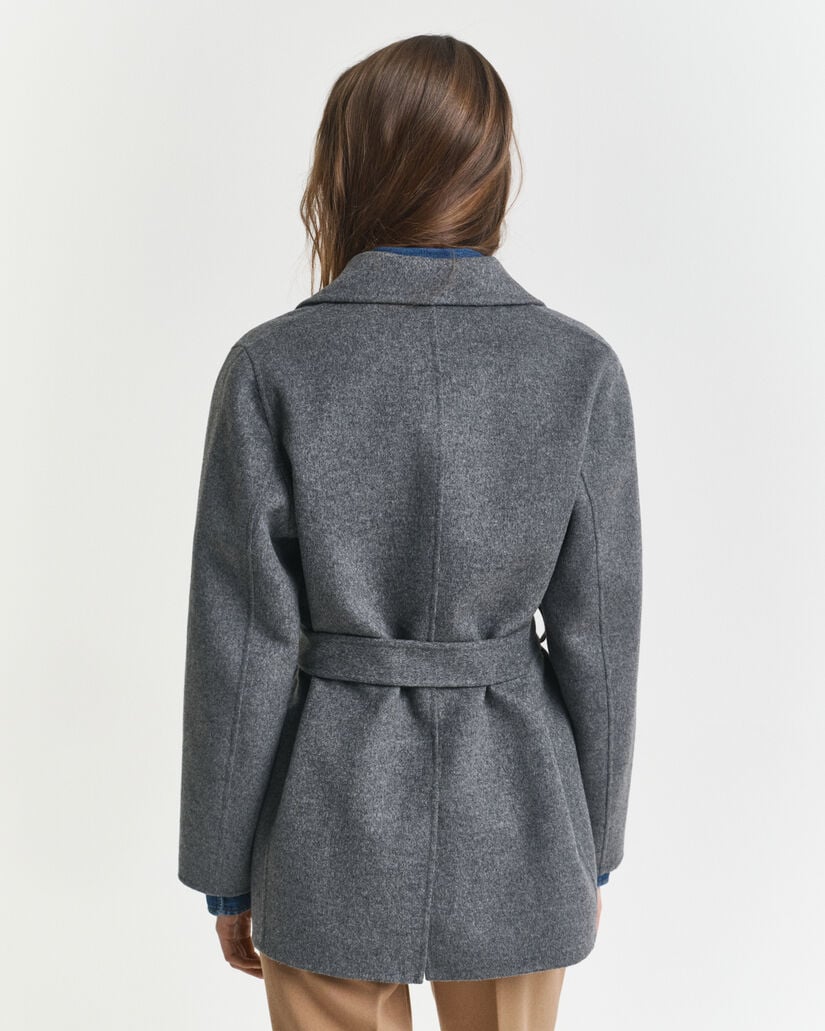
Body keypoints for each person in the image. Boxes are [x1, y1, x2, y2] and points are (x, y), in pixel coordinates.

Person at [177, 33, 642, 1031]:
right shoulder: (578, 369)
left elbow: (242, 641)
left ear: (345, 171)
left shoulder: (273, 366)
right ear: (492, 169)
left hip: (325, 819)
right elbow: (601, 639)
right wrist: (592, 846)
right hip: (523, 815)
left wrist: (224, 867)